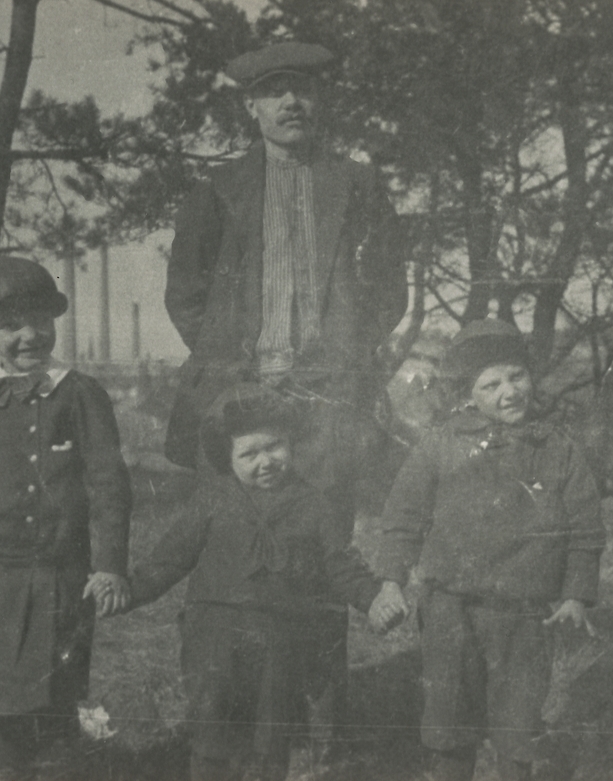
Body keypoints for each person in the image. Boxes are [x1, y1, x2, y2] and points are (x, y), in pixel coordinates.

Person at [163, 40, 409, 752]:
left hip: (327, 406)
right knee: (233, 560)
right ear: (252, 106)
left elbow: (389, 286)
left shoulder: (356, 183)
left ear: (319, 99)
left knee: (323, 557)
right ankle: (231, 725)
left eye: (302, 88)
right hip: (242, 403)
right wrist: (231, 368)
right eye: (275, 91)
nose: (291, 102)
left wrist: (348, 358)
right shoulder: (217, 190)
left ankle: (322, 732)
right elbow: (186, 294)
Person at [0, 256, 132, 779]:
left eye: (39, 319)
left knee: (55, 697)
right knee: (4, 704)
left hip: (58, 573)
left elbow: (109, 485)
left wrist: (109, 565)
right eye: (11, 325)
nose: (30, 335)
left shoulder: (80, 393)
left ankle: (62, 769)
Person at [126, 384, 405, 781]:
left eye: (275, 446)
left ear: (291, 442)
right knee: (212, 728)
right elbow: (170, 558)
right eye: (249, 454)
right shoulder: (213, 499)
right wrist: (127, 591)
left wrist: (373, 598)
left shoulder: (314, 503)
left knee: (270, 737)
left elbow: (341, 565)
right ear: (228, 458)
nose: (266, 461)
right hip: (214, 635)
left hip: (279, 638)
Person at [370, 318, 606, 781]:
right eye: (491, 384)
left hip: (524, 615)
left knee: (519, 725)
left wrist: (576, 595)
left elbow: (586, 529)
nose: (509, 392)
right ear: (468, 393)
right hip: (449, 609)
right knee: (449, 718)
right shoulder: (440, 445)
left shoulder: (557, 449)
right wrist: (390, 581)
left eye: (517, 377)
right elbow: (402, 519)